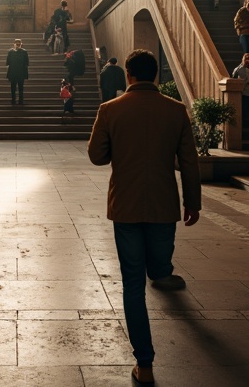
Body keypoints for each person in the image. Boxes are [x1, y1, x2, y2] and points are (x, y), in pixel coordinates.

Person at [88, 48, 202, 386]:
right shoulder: (177, 110)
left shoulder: (110, 109)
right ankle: (162, 271)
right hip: (165, 205)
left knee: (133, 285)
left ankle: (146, 363)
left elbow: (96, 155)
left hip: (125, 206)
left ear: (128, 75)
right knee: (158, 265)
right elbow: (190, 161)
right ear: (155, 75)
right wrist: (192, 202)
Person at [231, 52, 249, 134]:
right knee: (243, 113)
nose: (248, 60)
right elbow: (233, 76)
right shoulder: (240, 69)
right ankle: (239, 131)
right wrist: (243, 65)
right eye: (246, 58)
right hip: (244, 94)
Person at [5, 38, 30, 104]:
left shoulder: (11, 52)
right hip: (18, 73)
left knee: (17, 88)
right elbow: (26, 63)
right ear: (14, 44)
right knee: (17, 88)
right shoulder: (23, 52)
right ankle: (17, 100)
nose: (18, 45)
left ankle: (17, 100)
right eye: (17, 44)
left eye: (19, 44)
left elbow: (7, 62)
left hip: (15, 72)